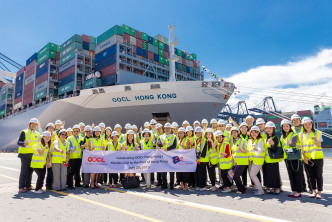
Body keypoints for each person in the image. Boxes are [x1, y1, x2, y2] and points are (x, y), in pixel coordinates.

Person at [300, 117, 324, 199]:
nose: (308, 126)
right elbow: (302, 147)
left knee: (318, 175)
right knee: (311, 175)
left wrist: (315, 140)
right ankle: (313, 191)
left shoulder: (318, 132)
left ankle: (319, 192)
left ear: (312, 124)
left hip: (317, 157)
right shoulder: (301, 135)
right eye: (305, 124)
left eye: (309, 124)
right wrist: (305, 157)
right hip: (307, 158)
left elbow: (319, 145)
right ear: (303, 125)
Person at [280, 119, 304, 198]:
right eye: (284, 126)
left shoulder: (293, 135)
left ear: (290, 126)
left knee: (297, 175)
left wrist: (291, 144)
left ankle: (299, 191)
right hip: (287, 158)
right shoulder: (282, 137)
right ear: (282, 127)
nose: (286, 127)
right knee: (291, 175)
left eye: (287, 126)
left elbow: (294, 144)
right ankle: (293, 190)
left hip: (295, 157)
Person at [17, 118, 41, 193]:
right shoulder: (24, 132)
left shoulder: (37, 134)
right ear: (29, 124)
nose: (33, 125)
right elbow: (19, 142)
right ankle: (21, 187)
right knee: (24, 171)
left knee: (30, 171)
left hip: (33, 155)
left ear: (37, 125)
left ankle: (28, 185)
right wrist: (23, 143)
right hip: (24, 155)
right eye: (32, 124)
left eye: (35, 124)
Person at [263, 122, 282, 194]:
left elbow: (275, 149)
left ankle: (277, 188)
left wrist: (272, 143)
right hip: (266, 159)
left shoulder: (275, 137)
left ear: (273, 129)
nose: (268, 130)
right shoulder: (265, 137)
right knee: (268, 174)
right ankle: (271, 187)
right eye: (267, 128)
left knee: (275, 174)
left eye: (270, 128)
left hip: (273, 159)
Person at [158, 123, 177, 189]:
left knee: (171, 172)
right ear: (164, 129)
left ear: (171, 129)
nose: (167, 129)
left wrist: (168, 148)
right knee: (163, 172)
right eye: (166, 128)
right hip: (163, 156)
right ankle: (164, 184)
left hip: (171, 156)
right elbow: (158, 144)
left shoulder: (174, 136)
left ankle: (171, 185)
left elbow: (174, 145)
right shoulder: (161, 136)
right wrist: (161, 144)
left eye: (168, 128)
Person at [248, 126, 265, 195]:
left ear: (258, 133)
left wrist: (256, 149)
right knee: (252, 175)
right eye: (252, 132)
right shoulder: (250, 141)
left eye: (255, 132)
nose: (254, 134)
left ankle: (260, 190)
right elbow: (249, 150)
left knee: (252, 175)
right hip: (252, 160)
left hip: (258, 160)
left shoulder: (260, 140)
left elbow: (260, 150)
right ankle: (260, 188)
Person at [231, 127, 248, 194]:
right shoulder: (234, 142)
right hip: (237, 162)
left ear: (238, 133)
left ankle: (242, 190)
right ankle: (242, 188)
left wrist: (242, 150)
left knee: (236, 176)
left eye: (235, 132)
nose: (234, 134)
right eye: (232, 133)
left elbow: (246, 150)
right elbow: (234, 153)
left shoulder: (242, 140)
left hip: (243, 161)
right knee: (232, 174)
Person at [67, 125, 84, 189]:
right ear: (72, 131)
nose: (76, 132)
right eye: (75, 131)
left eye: (77, 131)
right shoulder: (70, 138)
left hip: (78, 157)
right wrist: (71, 149)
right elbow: (68, 147)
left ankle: (77, 183)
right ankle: (70, 184)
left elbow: (81, 146)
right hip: (72, 157)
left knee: (77, 171)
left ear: (79, 131)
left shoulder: (81, 138)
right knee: (71, 172)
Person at [45, 122, 55, 190]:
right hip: (48, 155)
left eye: (52, 128)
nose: (51, 129)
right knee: (50, 171)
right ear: (47, 128)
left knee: (53, 171)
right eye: (50, 127)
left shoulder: (55, 135)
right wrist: (48, 159)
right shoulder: (45, 136)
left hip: (54, 155)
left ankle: (52, 184)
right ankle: (48, 185)